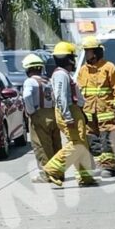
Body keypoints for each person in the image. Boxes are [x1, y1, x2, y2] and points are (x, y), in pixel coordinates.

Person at [43, 41, 97, 187]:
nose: (74, 61)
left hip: (75, 111)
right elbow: (61, 98)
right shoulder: (61, 75)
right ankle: (52, 169)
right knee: (76, 144)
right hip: (69, 112)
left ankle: (85, 177)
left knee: (82, 145)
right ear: (67, 59)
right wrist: (68, 117)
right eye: (72, 57)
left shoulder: (65, 74)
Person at [78, 36, 115, 178]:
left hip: (107, 112)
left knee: (107, 141)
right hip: (89, 114)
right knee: (93, 141)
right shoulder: (83, 71)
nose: (86, 54)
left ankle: (109, 167)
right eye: (85, 51)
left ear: (96, 52)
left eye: (88, 51)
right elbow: (80, 92)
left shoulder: (108, 67)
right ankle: (99, 164)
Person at [21, 53, 61, 183]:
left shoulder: (30, 82)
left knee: (42, 146)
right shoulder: (48, 81)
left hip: (39, 115)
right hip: (53, 114)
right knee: (56, 144)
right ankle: (58, 172)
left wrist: (31, 111)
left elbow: (27, 96)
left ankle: (46, 174)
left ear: (28, 69)